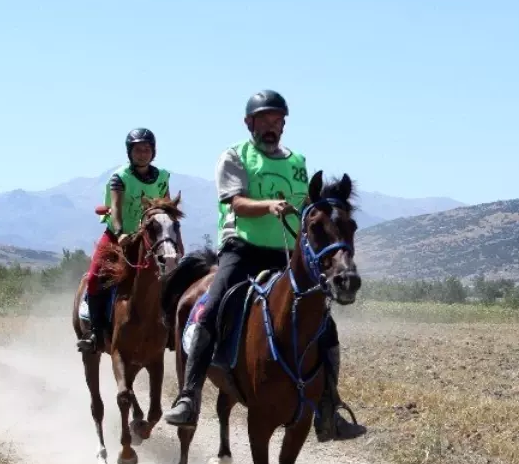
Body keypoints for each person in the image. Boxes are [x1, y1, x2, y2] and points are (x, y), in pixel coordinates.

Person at [162, 89, 365, 441]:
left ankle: (329, 406)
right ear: (249, 123)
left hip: (285, 253)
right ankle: (189, 395)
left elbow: (309, 209)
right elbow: (236, 203)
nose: (272, 126)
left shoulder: (297, 161)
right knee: (211, 309)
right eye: (265, 120)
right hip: (242, 249)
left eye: (278, 120)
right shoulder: (234, 156)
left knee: (324, 324)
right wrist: (269, 205)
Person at [76, 128, 171, 353]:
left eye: (147, 149)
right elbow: (116, 210)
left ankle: (171, 331)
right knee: (93, 277)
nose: (142, 154)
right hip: (119, 237)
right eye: (138, 150)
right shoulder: (119, 178)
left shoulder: (163, 177)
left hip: (150, 238)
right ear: (130, 152)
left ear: (153, 152)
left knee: (172, 276)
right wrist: (120, 234)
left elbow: (166, 207)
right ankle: (95, 333)